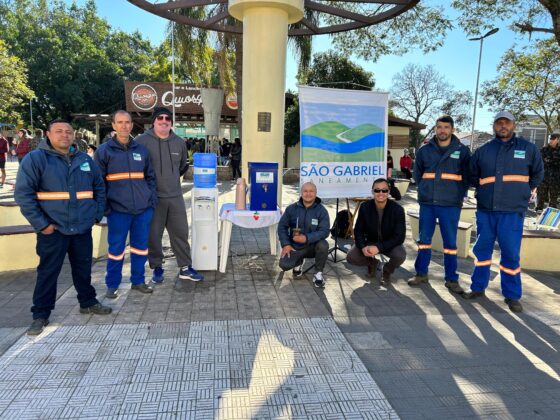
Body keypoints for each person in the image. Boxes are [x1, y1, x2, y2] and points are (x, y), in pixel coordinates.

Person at [14, 119, 112, 336]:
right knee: (48, 272)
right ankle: (40, 314)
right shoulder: (36, 159)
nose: (64, 135)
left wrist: (95, 214)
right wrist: (42, 225)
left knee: (83, 269)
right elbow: (24, 195)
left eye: (68, 132)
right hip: (53, 229)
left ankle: (87, 302)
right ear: (48, 135)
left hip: (81, 228)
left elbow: (99, 186)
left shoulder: (84, 159)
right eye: (59, 131)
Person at [463, 111, 544, 313]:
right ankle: (478, 288)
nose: (503, 126)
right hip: (486, 210)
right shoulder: (484, 150)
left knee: (510, 255)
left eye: (506, 123)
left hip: (512, 211)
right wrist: (483, 191)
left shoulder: (528, 148)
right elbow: (473, 176)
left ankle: (512, 295)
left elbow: (538, 174)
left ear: (513, 125)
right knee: (481, 251)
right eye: (499, 123)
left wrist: (523, 192)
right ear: (494, 126)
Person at [94, 111, 158, 298]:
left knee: (140, 248)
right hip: (117, 211)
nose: (124, 126)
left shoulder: (141, 150)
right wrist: (106, 207)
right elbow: (98, 183)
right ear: (113, 125)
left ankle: (138, 281)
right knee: (116, 250)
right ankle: (112, 284)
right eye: (120, 122)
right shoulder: (104, 151)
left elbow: (150, 178)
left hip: (142, 210)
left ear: (132, 125)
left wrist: (151, 202)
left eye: (127, 122)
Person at [136, 107, 203, 282]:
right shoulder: (141, 141)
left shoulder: (179, 142)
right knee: (154, 234)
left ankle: (185, 267)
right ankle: (157, 267)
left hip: (175, 196)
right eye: (160, 118)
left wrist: (171, 180)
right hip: (152, 197)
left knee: (180, 232)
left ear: (171, 122)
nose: (164, 120)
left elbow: (183, 166)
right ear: (154, 121)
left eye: (167, 118)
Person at [408, 116, 471, 294]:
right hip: (428, 203)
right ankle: (421, 273)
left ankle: (452, 279)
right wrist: (425, 190)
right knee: (424, 241)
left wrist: (457, 194)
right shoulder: (424, 150)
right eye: (439, 127)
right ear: (435, 129)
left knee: (450, 243)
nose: (442, 130)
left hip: (450, 204)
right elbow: (417, 175)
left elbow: (467, 177)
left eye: (446, 127)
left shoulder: (462, 150)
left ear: (452, 130)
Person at [347, 178, 406, 284]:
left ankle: (387, 271)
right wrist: (363, 246)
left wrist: (379, 247)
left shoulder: (398, 210)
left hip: (389, 243)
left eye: (384, 190)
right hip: (370, 242)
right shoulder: (365, 207)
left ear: (388, 192)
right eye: (377, 190)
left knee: (400, 255)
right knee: (351, 256)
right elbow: (358, 230)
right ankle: (372, 263)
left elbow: (399, 237)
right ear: (372, 192)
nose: (381, 193)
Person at [278, 182, 330, 287]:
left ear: (316, 193)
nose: (308, 194)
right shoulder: (291, 209)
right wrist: (286, 244)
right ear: (301, 193)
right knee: (284, 265)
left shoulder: (322, 211)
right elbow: (282, 227)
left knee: (323, 245)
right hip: (295, 247)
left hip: (313, 247)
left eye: (311, 191)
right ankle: (298, 262)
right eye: (305, 191)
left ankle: (318, 273)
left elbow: (324, 231)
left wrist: (306, 238)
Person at [536, 133, 560, 212]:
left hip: (556, 180)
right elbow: (539, 162)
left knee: (553, 201)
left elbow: (547, 161)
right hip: (543, 179)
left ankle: (550, 220)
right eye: (550, 138)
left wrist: (549, 161)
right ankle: (538, 218)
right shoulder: (543, 150)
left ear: (557, 140)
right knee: (540, 199)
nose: (550, 140)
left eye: (553, 139)